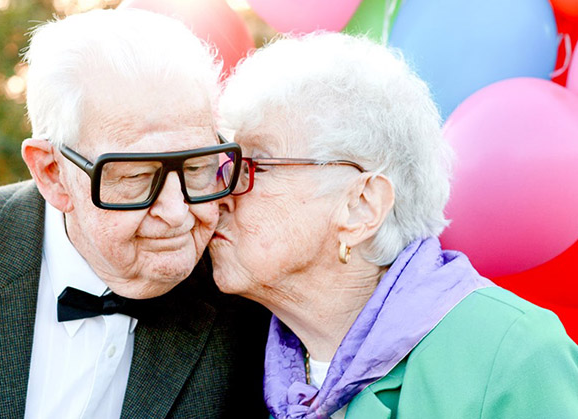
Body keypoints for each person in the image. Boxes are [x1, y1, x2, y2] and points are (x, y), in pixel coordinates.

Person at [0, 8, 269, 418]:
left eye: (196, 167)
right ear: (52, 174)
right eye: (136, 175)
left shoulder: (251, 305)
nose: (177, 213)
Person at [210, 32, 578, 418]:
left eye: (256, 166)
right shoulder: (235, 353)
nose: (221, 194)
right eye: (228, 166)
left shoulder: (515, 353)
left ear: (361, 208)